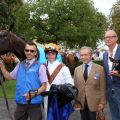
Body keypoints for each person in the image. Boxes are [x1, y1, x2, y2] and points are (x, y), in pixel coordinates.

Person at [0, 42, 48, 120]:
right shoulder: (20, 65)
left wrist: (34, 94)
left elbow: (44, 86)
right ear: (24, 51)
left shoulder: (41, 66)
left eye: (32, 51)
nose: (29, 52)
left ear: (35, 53)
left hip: (34, 104)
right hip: (21, 102)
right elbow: (9, 77)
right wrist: (2, 67)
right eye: (27, 50)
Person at [74, 46, 106, 120]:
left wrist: (102, 102)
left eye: (86, 55)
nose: (83, 57)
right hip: (81, 102)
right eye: (82, 55)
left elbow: (102, 87)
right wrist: (75, 101)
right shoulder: (77, 70)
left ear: (91, 55)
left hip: (95, 102)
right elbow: (75, 87)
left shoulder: (100, 69)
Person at [43, 43, 74, 120]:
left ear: (56, 54)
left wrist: (59, 89)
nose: (50, 55)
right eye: (48, 53)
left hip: (59, 98)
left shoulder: (64, 68)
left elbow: (70, 84)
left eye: (53, 53)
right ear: (46, 55)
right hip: (46, 97)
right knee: (47, 117)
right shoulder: (42, 66)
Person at [103, 30, 120, 120]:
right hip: (110, 92)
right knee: (115, 117)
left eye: (110, 37)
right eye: (106, 37)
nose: (108, 39)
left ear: (116, 38)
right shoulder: (105, 55)